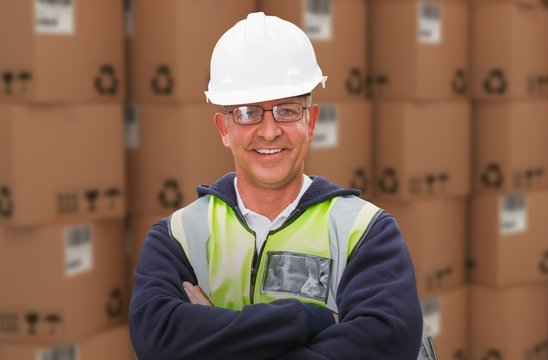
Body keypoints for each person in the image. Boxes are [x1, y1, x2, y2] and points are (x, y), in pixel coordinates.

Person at [128, 12, 423, 360]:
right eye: (248, 112)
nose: (269, 131)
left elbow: (386, 345)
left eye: (286, 110)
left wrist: (210, 336)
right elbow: (156, 339)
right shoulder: (178, 238)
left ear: (311, 123)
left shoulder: (365, 232)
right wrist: (306, 320)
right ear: (224, 128)